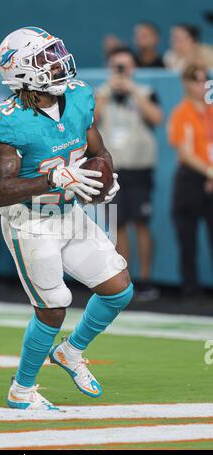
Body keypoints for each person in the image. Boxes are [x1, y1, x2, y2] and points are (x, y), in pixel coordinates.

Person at [0, 27, 133, 410]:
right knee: (53, 307)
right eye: (44, 57)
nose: (57, 61)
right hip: (30, 220)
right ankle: (21, 391)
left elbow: (98, 151)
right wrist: (48, 177)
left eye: (55, 51)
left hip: (69, 211)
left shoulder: (80, 95)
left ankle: (70, 351)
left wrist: (106, 182)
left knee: (119, 288)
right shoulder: (10, 120)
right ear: (21, 71)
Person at [95, 47, 163, 300]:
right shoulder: (101, 93)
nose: (120, 71)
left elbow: (157, 118)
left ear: (133, 68)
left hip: (140, 169)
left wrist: (132, 89)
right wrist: (107, 90)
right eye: (116, 66)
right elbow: (91, 120)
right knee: (118, 225)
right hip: (113, 171)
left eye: (124, 66)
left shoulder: (146, 92)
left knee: (141, 224)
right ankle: (126, 280)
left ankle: (146, 279)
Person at [168, 64, 213, 297]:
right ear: (186, 83)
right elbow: (185, 152)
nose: (202, 85)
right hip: (191, 180)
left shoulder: (211, 110)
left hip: (209, 176)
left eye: (205, 80)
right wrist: (209, 172)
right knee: (188, 239)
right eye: (197, 80)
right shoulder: (182, 113)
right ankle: (190, 289)